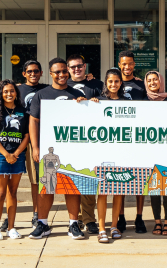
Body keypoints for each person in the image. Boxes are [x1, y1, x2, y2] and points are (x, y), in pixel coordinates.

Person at [28, 57, 87, 240]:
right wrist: (35, 147)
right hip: (49, 149)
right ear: (51, 74)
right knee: (47, 187)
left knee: (72, 187)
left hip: (73, 148)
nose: (62, 75)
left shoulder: (76, 93)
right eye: (57, 72)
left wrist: (87, 104)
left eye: (64, 71)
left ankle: (73, 225)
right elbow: (33, 121)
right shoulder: (42, 94)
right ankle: (43, 224)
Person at [0, 60, 48, 232]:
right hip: (17, 139)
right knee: (12, 180)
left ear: (41, 72)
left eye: (36, 71)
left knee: (36, 179)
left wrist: (88, 79)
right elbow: (2, 97)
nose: (33, 74)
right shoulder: (18, 90)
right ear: (24, 74)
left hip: (38, 138)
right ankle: (9, 216)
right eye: (29, 71)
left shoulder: (46, 90)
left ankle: (36, 214)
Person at [0, 79, 30, 240]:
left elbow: (27, 136)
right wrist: (6, 154)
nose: (9, 94)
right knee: (1, 193)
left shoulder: (23, 111)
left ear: (16, 93)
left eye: (12, 91)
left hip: (18, 155)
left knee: (13, 192)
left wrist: (16, 153)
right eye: (5, 91)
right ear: (0, 94)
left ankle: (11, 227)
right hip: (0, 155)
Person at [90, 68, 126, 243]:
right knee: (102, 192)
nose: (113, 84)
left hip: (121, 152)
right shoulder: (98, 101)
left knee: (119, 191)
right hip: (102, 152)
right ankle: (102, 228)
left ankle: (114, 226)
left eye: (117, 81)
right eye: (110, 81)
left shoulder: (128, 102)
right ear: (106, 83)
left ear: (121, 83)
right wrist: (85, 103)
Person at [66, 54, 102, 234]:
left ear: (85, 66)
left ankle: (89, 219)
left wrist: (96, 102)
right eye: (73, 67)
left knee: (88, 180)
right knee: (73, 181)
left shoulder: (96, 85)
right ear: (68, 69)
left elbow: (108, 103)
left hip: (92, 141)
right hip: (71, 142)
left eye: (79, 66)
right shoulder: (63, 86)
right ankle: (76, 219)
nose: (76, 69)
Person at [116, 50, 147, 233]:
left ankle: (139, 217)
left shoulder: (141, 85)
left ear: (134, 64)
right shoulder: (113, 83)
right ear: (119, 64)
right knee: (119, 178)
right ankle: (120, 217)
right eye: (123, 64)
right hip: (118, 138)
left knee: (139, 179)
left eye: (130, 64)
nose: (127, 67)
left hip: (138, 138)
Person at [143, 71, 167, 236]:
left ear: (160, 81)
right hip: (149, 149)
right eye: (149, 80)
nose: (153, 82)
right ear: (146, 83)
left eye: (155, 79)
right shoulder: (142, 100)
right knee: (154, 186)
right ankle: (157, 222)